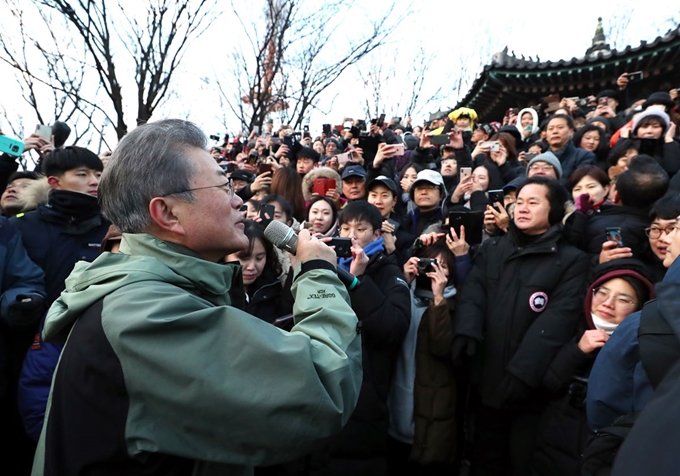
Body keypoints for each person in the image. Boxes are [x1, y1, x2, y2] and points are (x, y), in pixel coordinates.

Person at [31, 119, 363, 476]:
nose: (240, 199)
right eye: (224, 186)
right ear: (168, 213)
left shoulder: (163, 293)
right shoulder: (144, 315)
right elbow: (322, 389)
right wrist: (318, 274)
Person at [453, 176, 589, 476]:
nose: (522, 208)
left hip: (530, 392)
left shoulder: (571, 261)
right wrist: (467, 330)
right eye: (519, 202)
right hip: (485, 380)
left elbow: (556, 323)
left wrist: (522, 374)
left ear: (553, 211)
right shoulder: (495, 249)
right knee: (483, 459)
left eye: (533, 202)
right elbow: (474, 292)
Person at [301, 201, 411, 475]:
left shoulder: (389, 273)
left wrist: (357, 283)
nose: (352, 234)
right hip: (321, 388)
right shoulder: (327, 268)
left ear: (376, 235)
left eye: (360, 228)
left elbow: (393, 327)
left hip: (367, 395)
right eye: (346, 227)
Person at [531, 261, 654, 476]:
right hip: (552, 453)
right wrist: (577, 351)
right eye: (602, 293)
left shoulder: (643, 350)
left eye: (624, 299)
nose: (608, 303)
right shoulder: (568, 327)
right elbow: (547, 384)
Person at [387, 235, 471, 475]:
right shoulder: (405, 292)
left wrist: (438, 299)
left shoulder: (454, 303)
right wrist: (403, 280)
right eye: (429, 262)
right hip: (398, 391)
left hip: (433, 404)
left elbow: (441, 347)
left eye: (442, 266)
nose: (434, 269)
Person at [225, 220, 292, 324]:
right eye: (244, 258)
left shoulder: (273, 288)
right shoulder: (212, 295)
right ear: (224, 255)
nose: (251, 267)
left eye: (259, 258)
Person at [544, 114, 596, 187]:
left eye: (560, 127)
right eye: (551, 128)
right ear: (546, 135)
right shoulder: (540, 159)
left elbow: (578, 184)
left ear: (571, 132)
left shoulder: (584, 156)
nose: (555, 131)